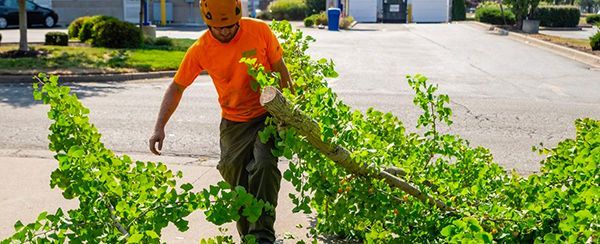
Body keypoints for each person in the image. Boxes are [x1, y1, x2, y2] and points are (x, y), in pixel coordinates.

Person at [148, 0, 292, 242]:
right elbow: (177, 87)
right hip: (233, 121)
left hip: (267, 115)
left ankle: (263, 236)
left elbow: (280, 66)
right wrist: (159, 127)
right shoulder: (201, 48)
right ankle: (249, 236)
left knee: (264, 166)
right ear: (208, 22)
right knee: (236, 180)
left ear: (238, 17)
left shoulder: (259, 31)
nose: (225, 31)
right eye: (218, 28)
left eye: (230, 27)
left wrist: (290, 111)